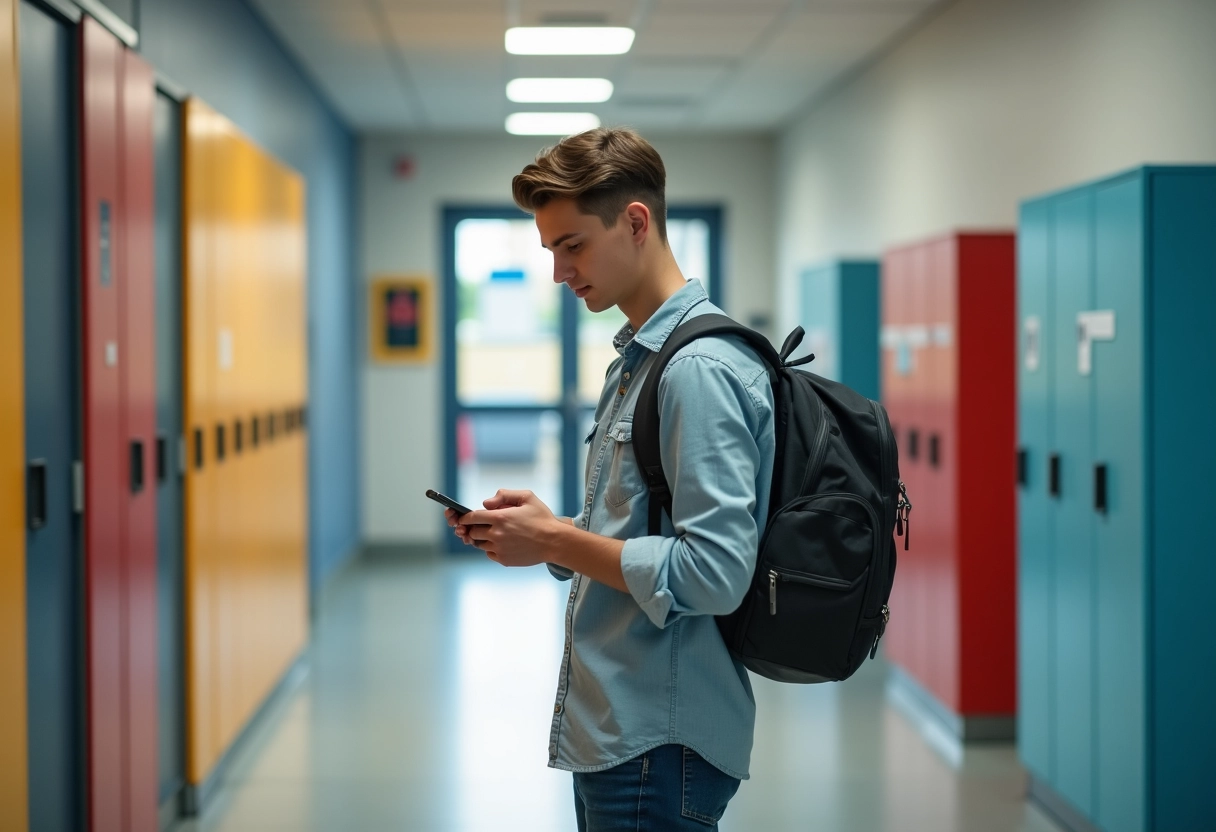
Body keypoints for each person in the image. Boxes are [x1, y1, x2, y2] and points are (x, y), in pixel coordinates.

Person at [447, 127, 775, 832]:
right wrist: (552, 531)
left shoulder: (696, 371)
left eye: (573, 245)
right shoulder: (641, 363)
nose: (559, 273)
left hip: (656, 743)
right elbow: (649, 531)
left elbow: (716, 572)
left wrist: (557, 544)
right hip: (626, 732)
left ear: (635, 222)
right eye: (550, 250)